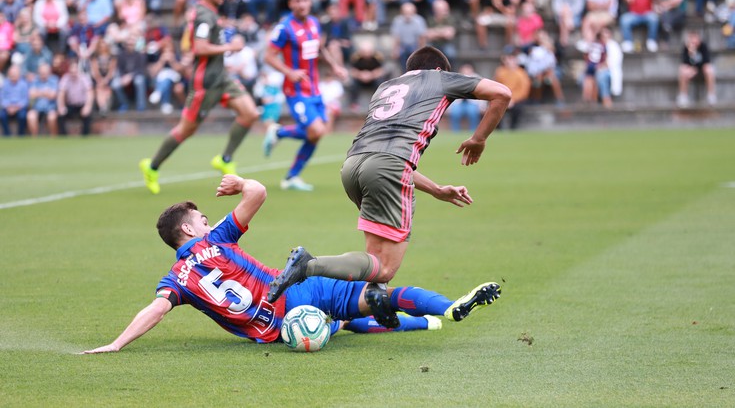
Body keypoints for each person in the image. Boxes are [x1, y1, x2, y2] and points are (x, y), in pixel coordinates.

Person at [81, 174, 501, 353]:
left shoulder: (177, 278)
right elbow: (259, 192)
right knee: (377, 296)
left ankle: (424, 321)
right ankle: (442, 309)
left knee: (348, 323)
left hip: (277, 330)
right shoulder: (217, 239)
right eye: (201, 219)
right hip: (297, 291)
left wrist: (117, 343)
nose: (207, 221)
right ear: (190, 231)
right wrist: (241, 183)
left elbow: (155, 308)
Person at [266, 46, 510, 328]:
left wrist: (436, 189)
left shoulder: (387, 86)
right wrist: (479, 138)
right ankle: (308, 265)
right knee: (385, 268)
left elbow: (392, 164)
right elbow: (502, 94)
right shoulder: (440, 78)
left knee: (374, 263)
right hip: (387, 167)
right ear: (439, 69)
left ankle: (376, 302)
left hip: (353, 167)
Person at [138, 0, 260, 195]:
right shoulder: (203, 14)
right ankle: (152, 166)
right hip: (205, 83)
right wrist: (231, 47)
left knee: (250, 113)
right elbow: (200, 48)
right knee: (186, 129)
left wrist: (228, 40)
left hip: (221, 77)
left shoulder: (211, 11)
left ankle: (225, 159)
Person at [261, 0, 348, 192]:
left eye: (305, 0)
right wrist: (289, 72)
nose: (302, 4)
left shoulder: (314, 23)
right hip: (296, 90)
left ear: (310, 2)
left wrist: (335, 66)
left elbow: (319, 48)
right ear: (291, 3)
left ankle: (291, 176)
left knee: (316, 135)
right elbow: (268, 56)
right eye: (297, 1)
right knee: (316, 130)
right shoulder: (284, 27)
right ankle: (278, 132)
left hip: (314, 88)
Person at [676, 31, 717, 108]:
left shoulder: (703, 46)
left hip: (702, 70)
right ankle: (683, 96)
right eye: (691, 39)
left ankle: (711, 96)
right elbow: (684, 62)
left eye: (695, 39)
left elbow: (706, 60)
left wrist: (695, 67)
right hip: (691, 71)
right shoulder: (686, 48)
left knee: (709, 69)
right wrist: (691, 54)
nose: (693, 41)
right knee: (682, 70)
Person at [493, 48, 531, 130]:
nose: (509, 61)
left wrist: (513, 99)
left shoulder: (521, 73)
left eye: (511, 58)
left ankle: (513, 127)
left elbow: (524, 91)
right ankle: (497, 128)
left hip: (516, 100)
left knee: (518, 108)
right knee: (495, 106)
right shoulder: (500, 72)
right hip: (502, 98)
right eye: (507, 58)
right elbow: (496, 87)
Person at [57, 58, 94, 136]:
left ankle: (85, 136)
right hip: (71, 105)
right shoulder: (65, 78)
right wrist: (61, 106)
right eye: (71, 72)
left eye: (75, 72)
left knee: (87, 115)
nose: (73, 74)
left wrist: (87, 106)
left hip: (82, 104)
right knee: (61, 115)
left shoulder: (84, 78)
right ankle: (63, 136)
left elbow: (90, 93)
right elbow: (61, 94)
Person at [347, 40, 385, 112]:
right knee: (353, 84)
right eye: (364, 52)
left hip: (373, 79)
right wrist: (361, 75)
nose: (367, 54)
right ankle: (353, 103)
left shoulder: (377, 56)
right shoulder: (355, 57)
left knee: (380, 83)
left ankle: (379, 102)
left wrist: (370, 75)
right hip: (360, 79)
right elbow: (352, 71)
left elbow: (381, 70)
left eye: (368, 52)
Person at [448, 63, 487, 132]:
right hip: (458, 103)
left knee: (472, 113)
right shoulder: (456, 78)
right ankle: (455, 132)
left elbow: (483, 93)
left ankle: (473, 132)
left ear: (472, 70)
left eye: (468, 69)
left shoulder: (478, 78)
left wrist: (482, 107)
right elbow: (450, 93)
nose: (466, 71)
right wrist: (449, 108)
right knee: (455, 113)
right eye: (464, 69)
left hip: (472, 103)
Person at [390, 2, 427, 73]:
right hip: (403, 45)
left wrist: (421, 51)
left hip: (415, 45)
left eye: (409, 12)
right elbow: (396, 37)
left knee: (416, 58)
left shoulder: (419, 21)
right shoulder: (397, 21)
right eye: (405, 12)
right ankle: (404, 73)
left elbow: (421, 38)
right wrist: (395, 50)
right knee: (400, 55)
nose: (407, 15)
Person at [27, 62, 59, 136]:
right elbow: (31, 94)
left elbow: (53, 95)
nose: (43, 74)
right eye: (41, 73)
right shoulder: (35, 80)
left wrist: (39, 92)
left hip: (51, 108)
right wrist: (45, 92)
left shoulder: (54, 79)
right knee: (30, 116)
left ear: (49, 72)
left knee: (52, 117)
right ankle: (35, 138)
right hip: (37, 108)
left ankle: (53, 138)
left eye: (45, 73)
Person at [1, 65, 30, 137]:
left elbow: (25, 99)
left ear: (19, 75)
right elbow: (2, 98)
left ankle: (21, 134)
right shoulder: (5, 84)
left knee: (22, 116)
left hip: (19, 107)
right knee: (2, 115)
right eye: (11, 75)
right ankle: (7, 135)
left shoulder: (24, 84)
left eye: (14, 74)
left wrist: (17, 107)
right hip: (8, 107)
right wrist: (8, 106)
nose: (13, 76)